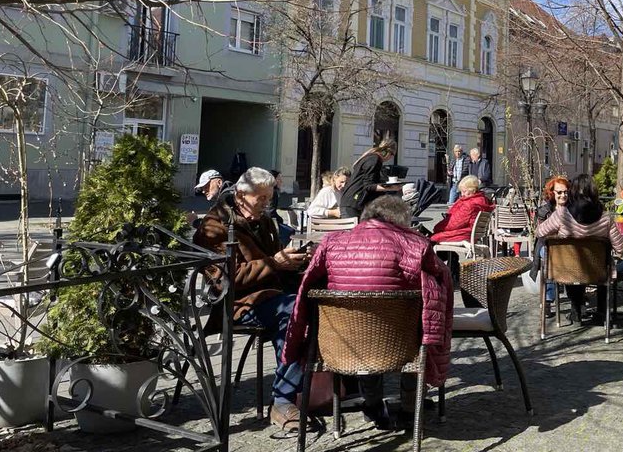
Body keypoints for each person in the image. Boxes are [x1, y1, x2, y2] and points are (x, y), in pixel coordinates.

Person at [283, 196, 453, 429]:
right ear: (401, 222)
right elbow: (442, 278)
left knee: (365, 333)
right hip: (399, 342)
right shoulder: (416, 245)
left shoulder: (331, 243)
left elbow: (307, 287)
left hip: (341, 343)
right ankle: (408, 409)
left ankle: (372, 406)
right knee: (417, 324)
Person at [193, 167, 310, 432]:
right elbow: (225, 279)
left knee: (309, 304)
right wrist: (274, 263)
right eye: (262, 198)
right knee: (294, 312)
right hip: (238, 303)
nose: (267, 203)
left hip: (270, 294)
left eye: (270, 197)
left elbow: (274, 260)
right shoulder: (215, 226)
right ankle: (284, 400)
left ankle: (300, 393)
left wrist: (292, 261)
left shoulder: (265, 220)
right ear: (242, 195)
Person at [535, 174, 623, 325]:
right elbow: (620, 247)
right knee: (605, 263)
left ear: (572, 192)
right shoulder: (605, 218)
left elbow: (539, 232)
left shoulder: (562, 214)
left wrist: (559, 233)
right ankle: (602, 313)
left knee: (574, 263)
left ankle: (576, 311)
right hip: (597, 271)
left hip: (567, 270)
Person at [532, 176, 570, 312]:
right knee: (548, 254)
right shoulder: (544, 210)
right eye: (559, 192)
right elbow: (541, 234)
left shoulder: (573, 208)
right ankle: (548, 298)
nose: (563, 195)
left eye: (565, 192)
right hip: (549, 247)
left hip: (570, 247)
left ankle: (577, 298)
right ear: (551, 193)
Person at [339, 139, 399, 218]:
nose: (390, 158)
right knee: (356, 230)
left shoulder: (370, 157)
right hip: (353, 203)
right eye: (392, 155)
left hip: (353, 202)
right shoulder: (374, 159)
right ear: (389, 153)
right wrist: (391, 188)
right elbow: (368, 186)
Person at [431, 175, 496, 243]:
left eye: (464, 191)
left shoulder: (470, 204)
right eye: (461, 192)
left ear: (472, 190)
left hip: (466, 233)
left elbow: (455, 223)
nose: (462, 194)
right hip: (471, 232)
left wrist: (438, 227)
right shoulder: (481, 199)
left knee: (433, 238)